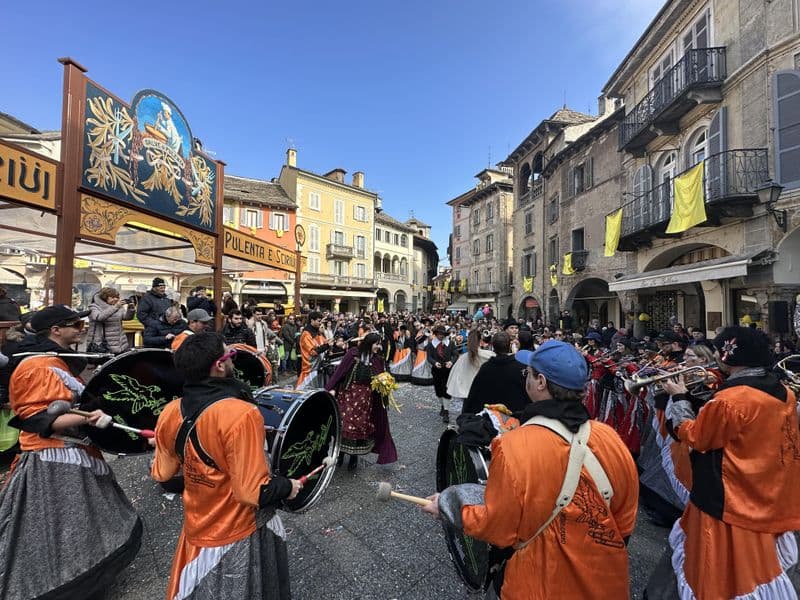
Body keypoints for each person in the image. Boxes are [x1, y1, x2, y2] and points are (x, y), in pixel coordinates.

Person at [422, 340, 639, 599]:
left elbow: (498, 527)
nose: (526, 377)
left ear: (541, 383)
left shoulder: (513, 445)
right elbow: (624, 521)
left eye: (529, 373)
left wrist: (449, 507)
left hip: (538, 584)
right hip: (606, 582)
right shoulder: (611, 439)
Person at [646, 326, 800, 598]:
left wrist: (679, 397)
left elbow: (695, 436)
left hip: (728, 500)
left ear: (731, 354)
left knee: (715, 569)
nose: (715, 356)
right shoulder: (783, 392)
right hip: (765, 492)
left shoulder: (731, 400)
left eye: (718, 350)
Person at [0, 305, 142, 598]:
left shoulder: (54, 360)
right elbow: (40, 420)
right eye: (76, 324)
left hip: (71, 455)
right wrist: (90, 417)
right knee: (58, 533)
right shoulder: (38, 366)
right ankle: (63, 585)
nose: (83, 328)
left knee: (73, 527)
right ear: (55, 330)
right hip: (53, 461)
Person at [151, 332, 301, 599]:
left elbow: (163, 474)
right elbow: (252, 493)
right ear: (220, 365)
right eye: (230, 355)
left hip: (197, 524)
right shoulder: (241, 414)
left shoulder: (170, 411)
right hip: (236, 527)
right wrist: (288, 485)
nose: (234, 361)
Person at [324, 332, 398, 471]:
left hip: (366, 399)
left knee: (359, 426)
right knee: (344, 424)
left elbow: (380, 376)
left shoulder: (377, 359)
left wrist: (384, 385)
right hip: (348, 395)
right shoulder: (353, 354)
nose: (379, 346)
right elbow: (340, 372)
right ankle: (340, 454)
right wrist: (332, 388)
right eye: (376, 344)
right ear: (369, 343)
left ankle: (354, 457)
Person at [462, 331, 529, 415]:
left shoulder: (486, 368)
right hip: (515, 414)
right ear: (509, 346)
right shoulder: (520, 368)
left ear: (493, 347)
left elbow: (474, 395)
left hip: (493, 415)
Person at [446, 329, 494, 412]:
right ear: (481, 340)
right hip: (482, 395)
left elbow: (453, 380)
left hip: (463, 396)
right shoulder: (490, 355)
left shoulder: (462, 358)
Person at [87, 286, 135, 354]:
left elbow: (126, 317)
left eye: (117, 297)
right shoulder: (94, 307)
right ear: (105, 297)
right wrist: (115, 307)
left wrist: (131, 309)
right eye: (112, 297)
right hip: (102, 345)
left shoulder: (117, 306)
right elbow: (99, 317)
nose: (115, 299)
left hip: (119, 343)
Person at [427, 325, 459, 424]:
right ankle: (442, 405)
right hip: (436, 370)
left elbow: (455, 354)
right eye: (439, 334)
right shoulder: (431, 344)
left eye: (442, 334)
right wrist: (434, 363)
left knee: (446, 390)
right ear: (436, 334)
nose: (440, 336)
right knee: (438, 390)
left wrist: (451, 362)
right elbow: (429, 357)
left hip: (448, 371)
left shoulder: (451, 343)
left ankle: (446, 411)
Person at [296, 311, 329, 390]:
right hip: (309, 370)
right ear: (312, 320)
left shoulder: (317, 332)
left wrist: (330, 343)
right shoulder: (306, 334)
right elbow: (313, 352)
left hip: (318, 368)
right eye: (318, 321)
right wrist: (326, 346)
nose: (320, 323)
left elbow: (323, 343)